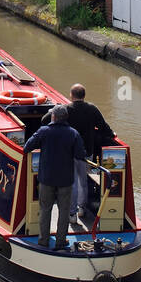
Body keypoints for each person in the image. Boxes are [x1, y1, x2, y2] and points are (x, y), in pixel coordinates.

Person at [41, 84, 115, 224]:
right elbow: (103, 126)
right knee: (83, 181)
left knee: (72, 183)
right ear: (84, 95)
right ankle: (82, 209)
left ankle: (72, 214)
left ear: (71, 95)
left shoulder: (66, 109)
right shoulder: (92, 109)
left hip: (69, 152)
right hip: (87, 152)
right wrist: (111, 134)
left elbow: (45, 120)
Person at [23, 104, 86, 251]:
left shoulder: (44, 131)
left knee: (45, 209)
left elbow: (27, 147)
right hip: (65, 180)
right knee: (64, 212)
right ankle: (60, 242)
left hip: (46, 179)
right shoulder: (73, 133)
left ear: (53, 117)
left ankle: (43, 241)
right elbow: (80, 155)